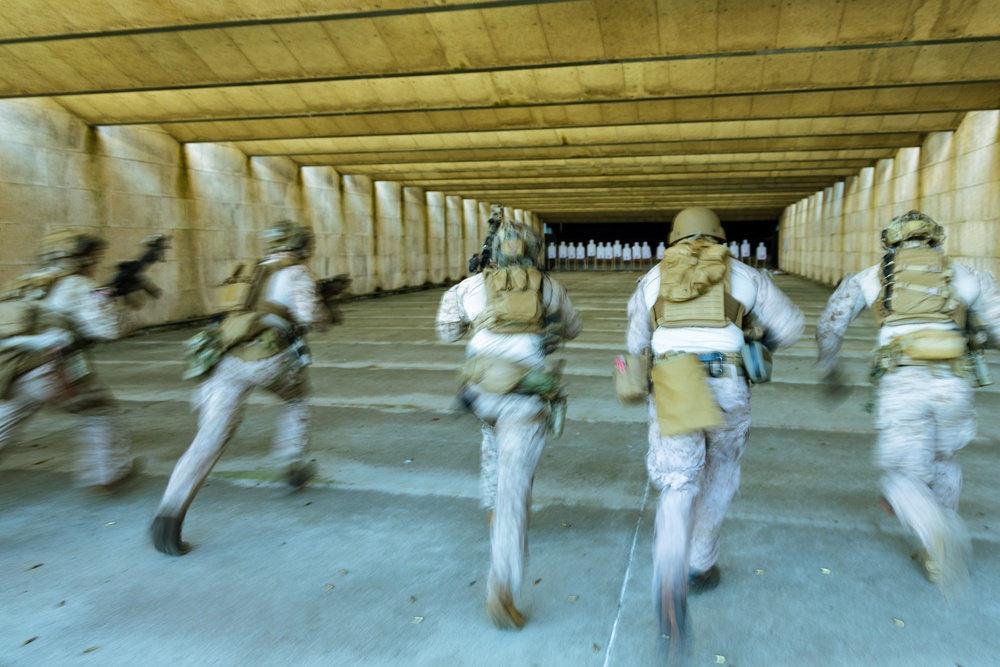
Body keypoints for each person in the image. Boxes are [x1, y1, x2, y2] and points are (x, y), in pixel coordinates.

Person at [625, 207, 803, 648]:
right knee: (721, 467)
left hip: (675, 381)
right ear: (720, 237)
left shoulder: (652, 280)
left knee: (678, 483)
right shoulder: (746, 275)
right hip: (728, 380)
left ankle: (669, 577)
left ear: (674, 239)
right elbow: (791, 326)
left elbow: (635, 344)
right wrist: (756, 340)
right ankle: (700, 565)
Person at [816, 210, 1000, 590]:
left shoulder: (870, 277)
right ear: (936, 239)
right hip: (953, 381)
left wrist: (831, 369)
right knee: (943, 459)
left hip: (903, 383)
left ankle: (937, 532)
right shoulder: (969, 275)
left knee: (901, 475)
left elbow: (829, 325)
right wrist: (976, 335)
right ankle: (937, 557)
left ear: (890, 242)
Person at [150, 220, 333, 556]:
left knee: (209, 437)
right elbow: (311, 317)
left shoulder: (249, 270)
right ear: (303, 246)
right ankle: (293, 464)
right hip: (269, 360)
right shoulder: (296, 273)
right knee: (296, 399)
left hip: (225, 359)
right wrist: (327, 312)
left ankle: (169, 514)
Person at [436, 220, 582, 629]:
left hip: (481, 392)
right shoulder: (549, 287)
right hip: (524, 396)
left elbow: (446, 332)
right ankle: (502, 590)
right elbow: (573, 327)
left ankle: (491, 507)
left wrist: (479, 317)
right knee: (515, 490)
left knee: (490, 434)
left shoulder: (468, 287)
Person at [0, 228, 146, 490]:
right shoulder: (78, 285)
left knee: (6, 421)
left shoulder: (26, 284)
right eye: (91, 259)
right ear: (80, 259)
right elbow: (109, 329)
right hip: (52, 367)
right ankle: (109, 473)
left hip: (12, 367)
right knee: (100, 409)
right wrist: (125, 306)